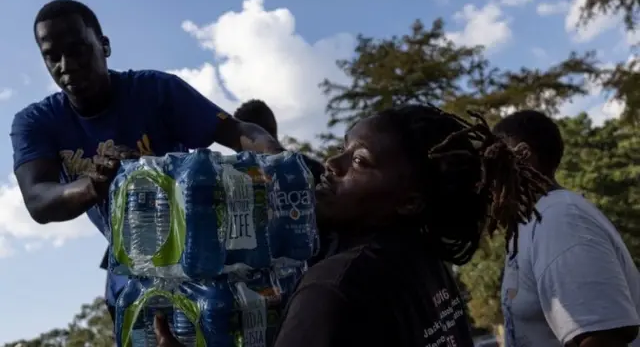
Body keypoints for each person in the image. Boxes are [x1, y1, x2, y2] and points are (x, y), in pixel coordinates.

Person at [154, 104, 551, 347]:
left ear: (411, 200)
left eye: (359, 161)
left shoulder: (335, 288)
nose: (332, 164)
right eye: (343, 148)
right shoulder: (427, 265)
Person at [11, 0, 283, 325]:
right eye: (52, 57)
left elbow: (237, 130)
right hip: (132, 274)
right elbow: (38, 199)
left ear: (104, 45)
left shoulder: (156, 90)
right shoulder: (36, 122)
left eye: (78, 49)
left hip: (204, 258)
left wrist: (278, 159)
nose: (66, 65)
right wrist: (93, 186)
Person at [494, 110, 640, 347]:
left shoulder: (560, 220)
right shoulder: (531, 222)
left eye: (494, 157)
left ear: (523, 155)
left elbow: (602, 337)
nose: (486, 171)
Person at [233, 99, 331, 265]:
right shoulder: (309, 168)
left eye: (236, 139)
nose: (235, 149)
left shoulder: (241, 180)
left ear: (251, 136)